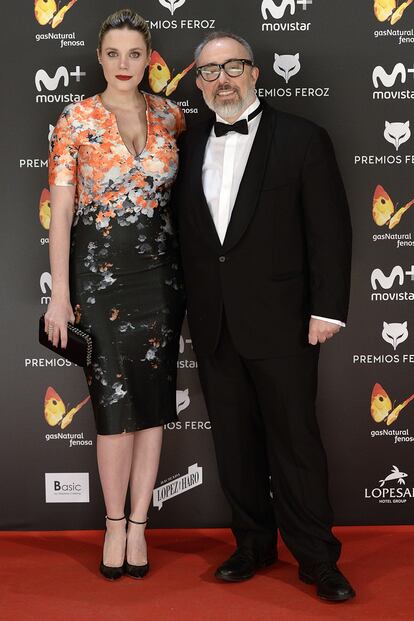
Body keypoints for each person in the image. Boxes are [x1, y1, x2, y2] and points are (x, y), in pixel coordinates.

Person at [173, 32, 354, 602]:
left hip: (285, 321)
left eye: (233, 67)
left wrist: (328, 308)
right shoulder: (185, 143)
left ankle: (318, 558)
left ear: (255, 73)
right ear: (198, 83)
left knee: (295, 442)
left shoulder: (303, 138)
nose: (222, 79)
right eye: (209, 72)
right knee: (234, 442)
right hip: (214, 321)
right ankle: (252, 544)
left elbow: (330, 230)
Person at [45, 9, 185, 580]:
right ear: (99, 58)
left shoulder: (171, 116)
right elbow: (60, 215)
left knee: (152, 403)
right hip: (98, 279)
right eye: (113, 53)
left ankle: (140, 525)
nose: (124, 64)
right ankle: (112, 524)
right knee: (111, 405)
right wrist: (59, 295)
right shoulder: (75, 120)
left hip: (162, 279)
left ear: (148, 58)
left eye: (134, 53)